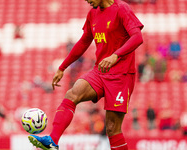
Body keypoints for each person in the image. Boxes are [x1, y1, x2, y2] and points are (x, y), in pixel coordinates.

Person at [28, 0, 144, 150]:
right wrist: (62, 67)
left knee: (112, 128)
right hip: (100, 71)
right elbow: (84, 42)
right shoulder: (92, 13)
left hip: (121, 76)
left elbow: (137, 37)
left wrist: (116, 55)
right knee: (72, 94)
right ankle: (52, 141)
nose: (87, 0)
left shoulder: (122, 9)